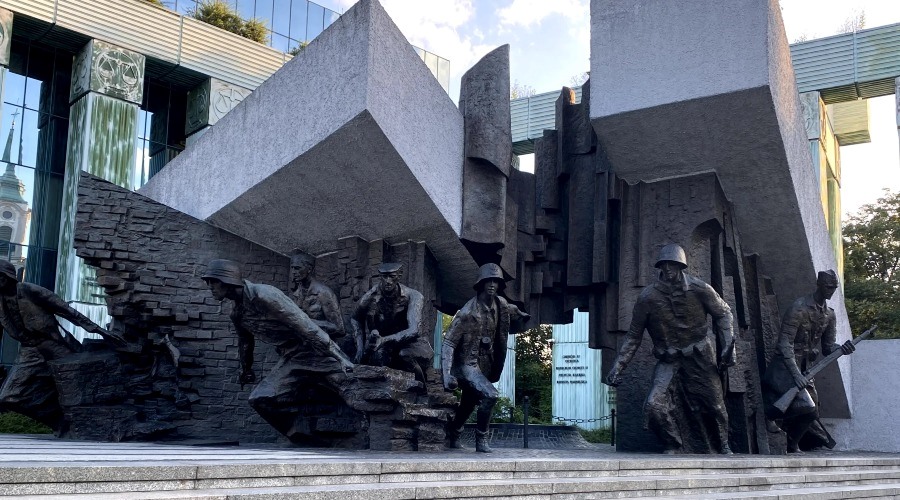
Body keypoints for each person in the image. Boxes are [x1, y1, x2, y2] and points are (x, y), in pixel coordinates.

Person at [606, 243, 735, 454]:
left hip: (700, 355)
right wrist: (617, 367)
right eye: (664, 265)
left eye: (673, 264)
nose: (668, 269)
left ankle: (724, 444)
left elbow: (724, 313)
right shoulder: (647, 298)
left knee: (716, 405)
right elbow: (633, 336)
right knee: (653, 406)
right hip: (669, 359)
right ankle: (673, 442)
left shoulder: (700, 288)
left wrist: (729, 344)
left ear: (681, 266)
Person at [202, 259, 354, 438]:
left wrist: (340, 358)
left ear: (227, 281)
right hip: (292, 358)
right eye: (208, 283)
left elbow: (307, 327)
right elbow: (245, 342)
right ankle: (305, 436)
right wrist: (246, 369)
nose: (210, 287)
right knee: (259, 399)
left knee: (353, 389)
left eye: (214, 282)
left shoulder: (264, 295)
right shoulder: (237, 313)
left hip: (317, 352)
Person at [0, 260, 125, 432]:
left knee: (80, 387)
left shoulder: (28, 290)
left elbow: (66, 310)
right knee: (9, 397)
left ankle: (88, 421)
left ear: (3, 279)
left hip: (55, 346)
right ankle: (61, 421)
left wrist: (99, 331)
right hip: (29, 351)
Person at [763, 269, 854, 453]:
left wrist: (842, 349)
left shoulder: (830, 315)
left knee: (813, 413)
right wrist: (795, 375)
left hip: (807, 368)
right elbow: (784, 344)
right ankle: (770, 417)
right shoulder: (799, 308)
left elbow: (828, 347)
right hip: (785, 368)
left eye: (834, 287)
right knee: (808, 409)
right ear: (819, 285)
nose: (831, 291)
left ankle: (790, 441)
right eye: (829, 287)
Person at [442, 263, 529, 453]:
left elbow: (511, 310)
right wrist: (446, 374)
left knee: (469, 402)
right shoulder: (466, 314)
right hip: (467, 364)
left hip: (487, 363)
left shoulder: (501, 304)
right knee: (490, 395)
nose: (491, 284)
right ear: (480, 284)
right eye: (487, 280)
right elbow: (448, 343)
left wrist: (522, 315)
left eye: (495, 281)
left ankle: (454, 431)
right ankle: (481, 439)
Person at [351, 262, 432, 384]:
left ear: (399, 276)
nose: (388, 281)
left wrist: (385, 340)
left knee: (405, 355)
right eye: (384, 277)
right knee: (377, 359)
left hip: (412, 344)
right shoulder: (371, 295)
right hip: (385, 345)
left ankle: (421, 389)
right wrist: (360, 348)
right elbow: (355, 318)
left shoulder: (414, 296)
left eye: (392, 276)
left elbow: (414, 330)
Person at [288, 249, 348, 354]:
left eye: (297, 268)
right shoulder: (295, 294)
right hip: (301, 349)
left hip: (323, 351)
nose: (293, 272)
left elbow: (339, 329)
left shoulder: (324, 293)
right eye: (292, 268)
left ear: (309, 269)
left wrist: (309, 323)